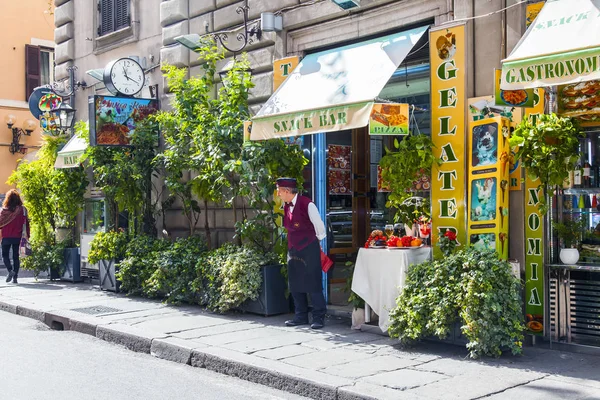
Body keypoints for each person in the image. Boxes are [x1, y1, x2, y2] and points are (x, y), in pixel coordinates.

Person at [276, 177, 327, 329]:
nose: (278, 194)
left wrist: (319, 245)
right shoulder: (286, 206)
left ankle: (318, 317)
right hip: (293, 248)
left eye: (279, 191)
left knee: (313, 283)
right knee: (295, 282)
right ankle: (300, 316)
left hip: (309, 247)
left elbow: (319, 226)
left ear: (287, 191)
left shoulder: (307, 204)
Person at [0, 189, 30, 284]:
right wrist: (27, 235)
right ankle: (15, 278)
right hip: (17, 236)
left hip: (6, 236)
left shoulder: (3, 211)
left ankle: (10, 271)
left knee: (5, 256)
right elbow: (26, 223)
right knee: (16, 257)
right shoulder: (22, 210)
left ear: (7, 199)